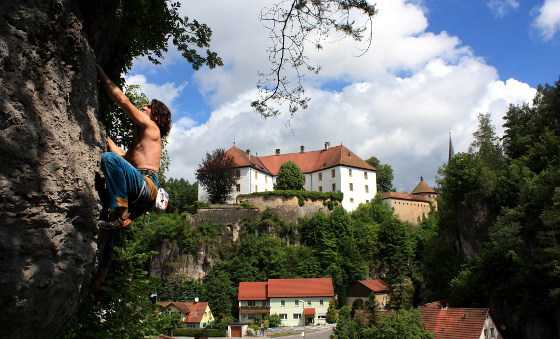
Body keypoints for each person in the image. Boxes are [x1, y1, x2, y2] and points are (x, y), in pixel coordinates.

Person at [91, 65, 171, 291]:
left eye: (148, 106)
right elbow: (123, 157)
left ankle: (122, 211)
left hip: (146, 185)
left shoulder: (151, 127)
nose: (144, 107)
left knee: (108, 160)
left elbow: (123, 102)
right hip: (139, 188)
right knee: (109, 228)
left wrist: (103, 74)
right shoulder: (142, 140)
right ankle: (101, 279)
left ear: (156, 114)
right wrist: (103, 134)